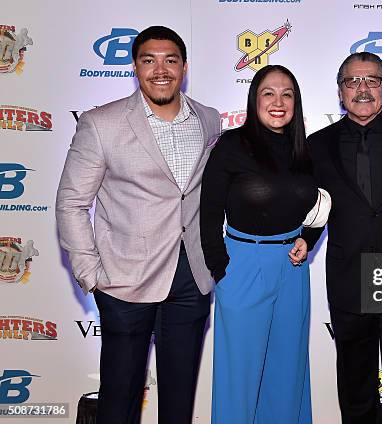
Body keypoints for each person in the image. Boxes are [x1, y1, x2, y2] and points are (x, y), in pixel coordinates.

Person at [55, 26, 220, 424]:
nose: (160, 70)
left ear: (184, 67)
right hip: (124, 280)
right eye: (149, 60)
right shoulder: (102, 123)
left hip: (190, 278)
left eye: (170, 60)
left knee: (179, 401)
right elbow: (71, 203)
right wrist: (91, 273)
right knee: (120, 399)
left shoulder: (209, 120)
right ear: (135, 67)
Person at [301, 52, 382, 424]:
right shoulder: (317, 144)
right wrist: (305, 240)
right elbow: (315, 205)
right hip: (348, 277)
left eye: (372, 81)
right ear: (340, 91)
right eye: (352, 82)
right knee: (355, 383)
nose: (362, 89)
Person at [200, 64, 321, 424]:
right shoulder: (232, 145)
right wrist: (221, 269)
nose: (278, 101)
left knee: (288, 371)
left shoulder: (304, 149)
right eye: (269, 92)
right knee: (241, 374)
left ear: (296, 102)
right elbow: (208, 214)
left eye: (287, 94)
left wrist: (308, 239)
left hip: (292, 268)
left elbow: (318, 203)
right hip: (242, 265)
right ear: (254, 99)